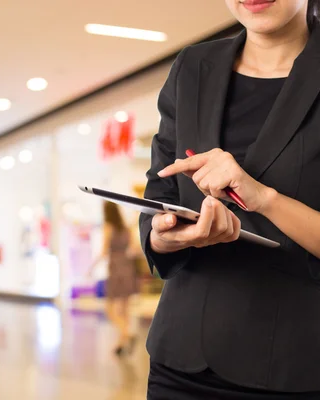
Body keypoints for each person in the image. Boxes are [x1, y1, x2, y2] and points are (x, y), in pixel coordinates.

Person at [140, 0, 320, 397]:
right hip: (181, 360)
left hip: (294, 366)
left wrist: (264, 198)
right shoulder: (192, 66)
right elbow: (161, 190)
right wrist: (165, 236)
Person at [89, 201, 138, 355]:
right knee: (124, 309)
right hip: (128, 268)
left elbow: (104, 252)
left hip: (116, 269)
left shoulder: (108, 227)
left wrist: (91, 268)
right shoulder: (126, 228)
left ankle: (127, 333)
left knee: (110, 309)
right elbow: (135, 249)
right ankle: (122, 343)